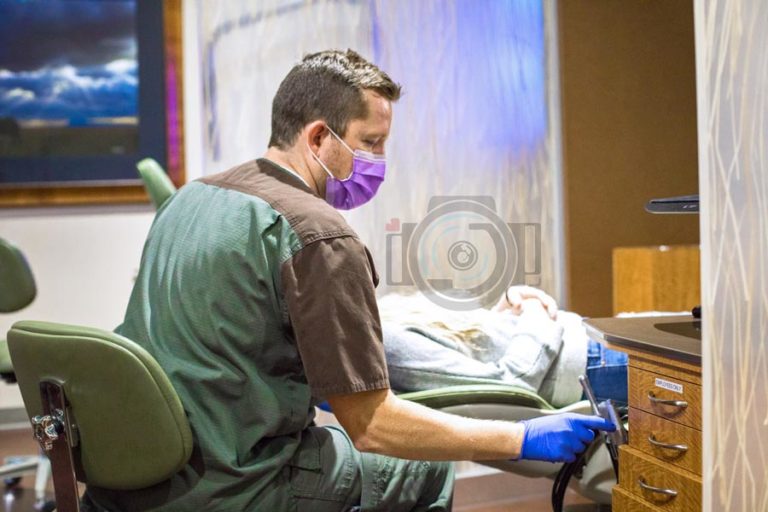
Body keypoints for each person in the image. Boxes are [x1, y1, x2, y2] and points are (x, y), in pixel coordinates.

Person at [82, 49, 614, 512]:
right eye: (372, 142)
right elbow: (372, 426)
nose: (379, 161)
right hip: (237, 484)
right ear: (318, 136)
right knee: (426, 469)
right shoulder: (318, 236)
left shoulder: (193, 196)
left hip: (142, 471)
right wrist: (518, 437)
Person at [379, 286, 629, 408]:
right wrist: (533, 313)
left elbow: (475, 351)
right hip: (591, 365)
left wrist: (507, 306)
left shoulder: (378, 320)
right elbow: (509, 384)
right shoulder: (386, 341)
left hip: (590, 346)